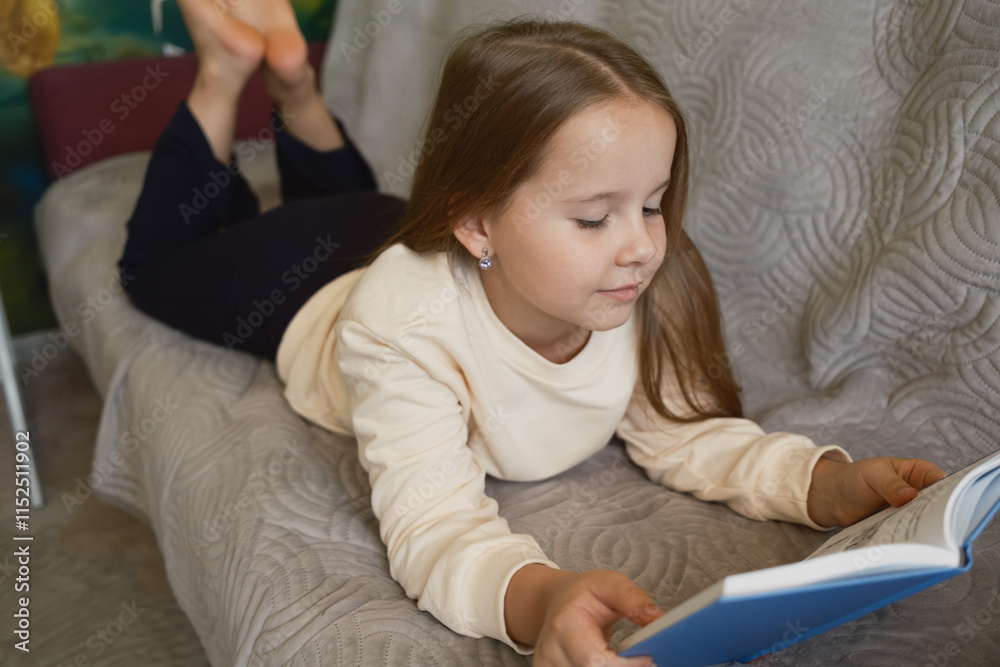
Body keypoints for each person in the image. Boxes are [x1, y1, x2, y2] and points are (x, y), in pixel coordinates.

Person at [118, 1, 947, 665]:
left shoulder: (630, 279)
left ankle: (296, 88)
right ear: (478, 224)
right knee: (158, 265)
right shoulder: (400, 327)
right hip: (307, 280)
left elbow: (686, 435)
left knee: (361, 208)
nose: (642, 244)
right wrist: (541, 595)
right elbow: (434, 527)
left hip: (401, 227)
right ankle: (227, 75)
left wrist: (825, 482)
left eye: (652, 203)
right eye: (594, 217)